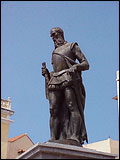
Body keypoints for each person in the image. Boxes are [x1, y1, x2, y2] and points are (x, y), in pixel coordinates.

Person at [42, 27, 89, 145]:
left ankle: (74, 136)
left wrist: (76, 67)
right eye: (51, 36)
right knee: (53, 109)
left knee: (72, 106)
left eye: (54, 34)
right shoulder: (54, 52)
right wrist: (47, 74)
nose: (53, 38)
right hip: (55, 79)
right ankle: (54, 137)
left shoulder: (72, 46)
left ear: (60, 34)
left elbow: (85, 63)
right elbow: (56, 68)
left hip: (68, 78)